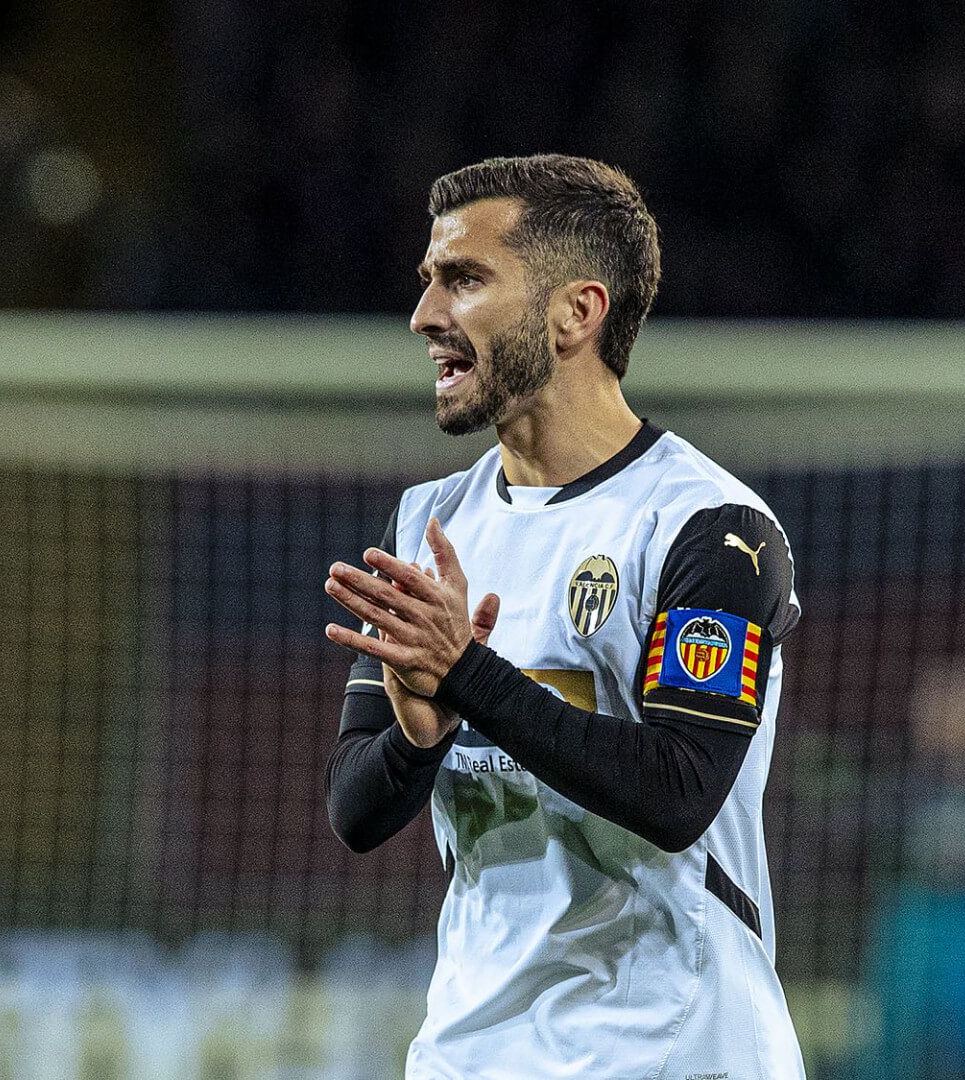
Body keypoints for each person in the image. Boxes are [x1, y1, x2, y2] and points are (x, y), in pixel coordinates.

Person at [322, 154, 805, 1078]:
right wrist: (418, 742)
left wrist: (467, 676)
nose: (425, 315)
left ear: (576, 312)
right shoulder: (433, 523)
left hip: (669, 1045)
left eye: (464, 279)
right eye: (428, 281)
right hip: (474, 1051)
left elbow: (677, 791)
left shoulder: (712, 528)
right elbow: (355, 809)